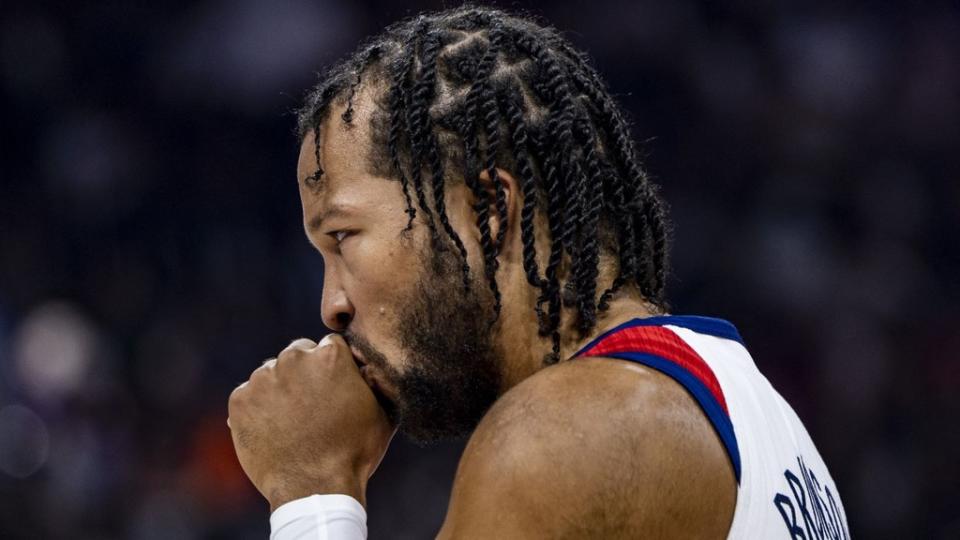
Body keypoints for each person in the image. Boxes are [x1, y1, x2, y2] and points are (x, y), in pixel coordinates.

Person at [226, 6, 849, 539]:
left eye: (343, 238)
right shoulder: (756, 413)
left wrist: (313, 488)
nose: (331, 305)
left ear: (492, 212)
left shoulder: (563, 437)